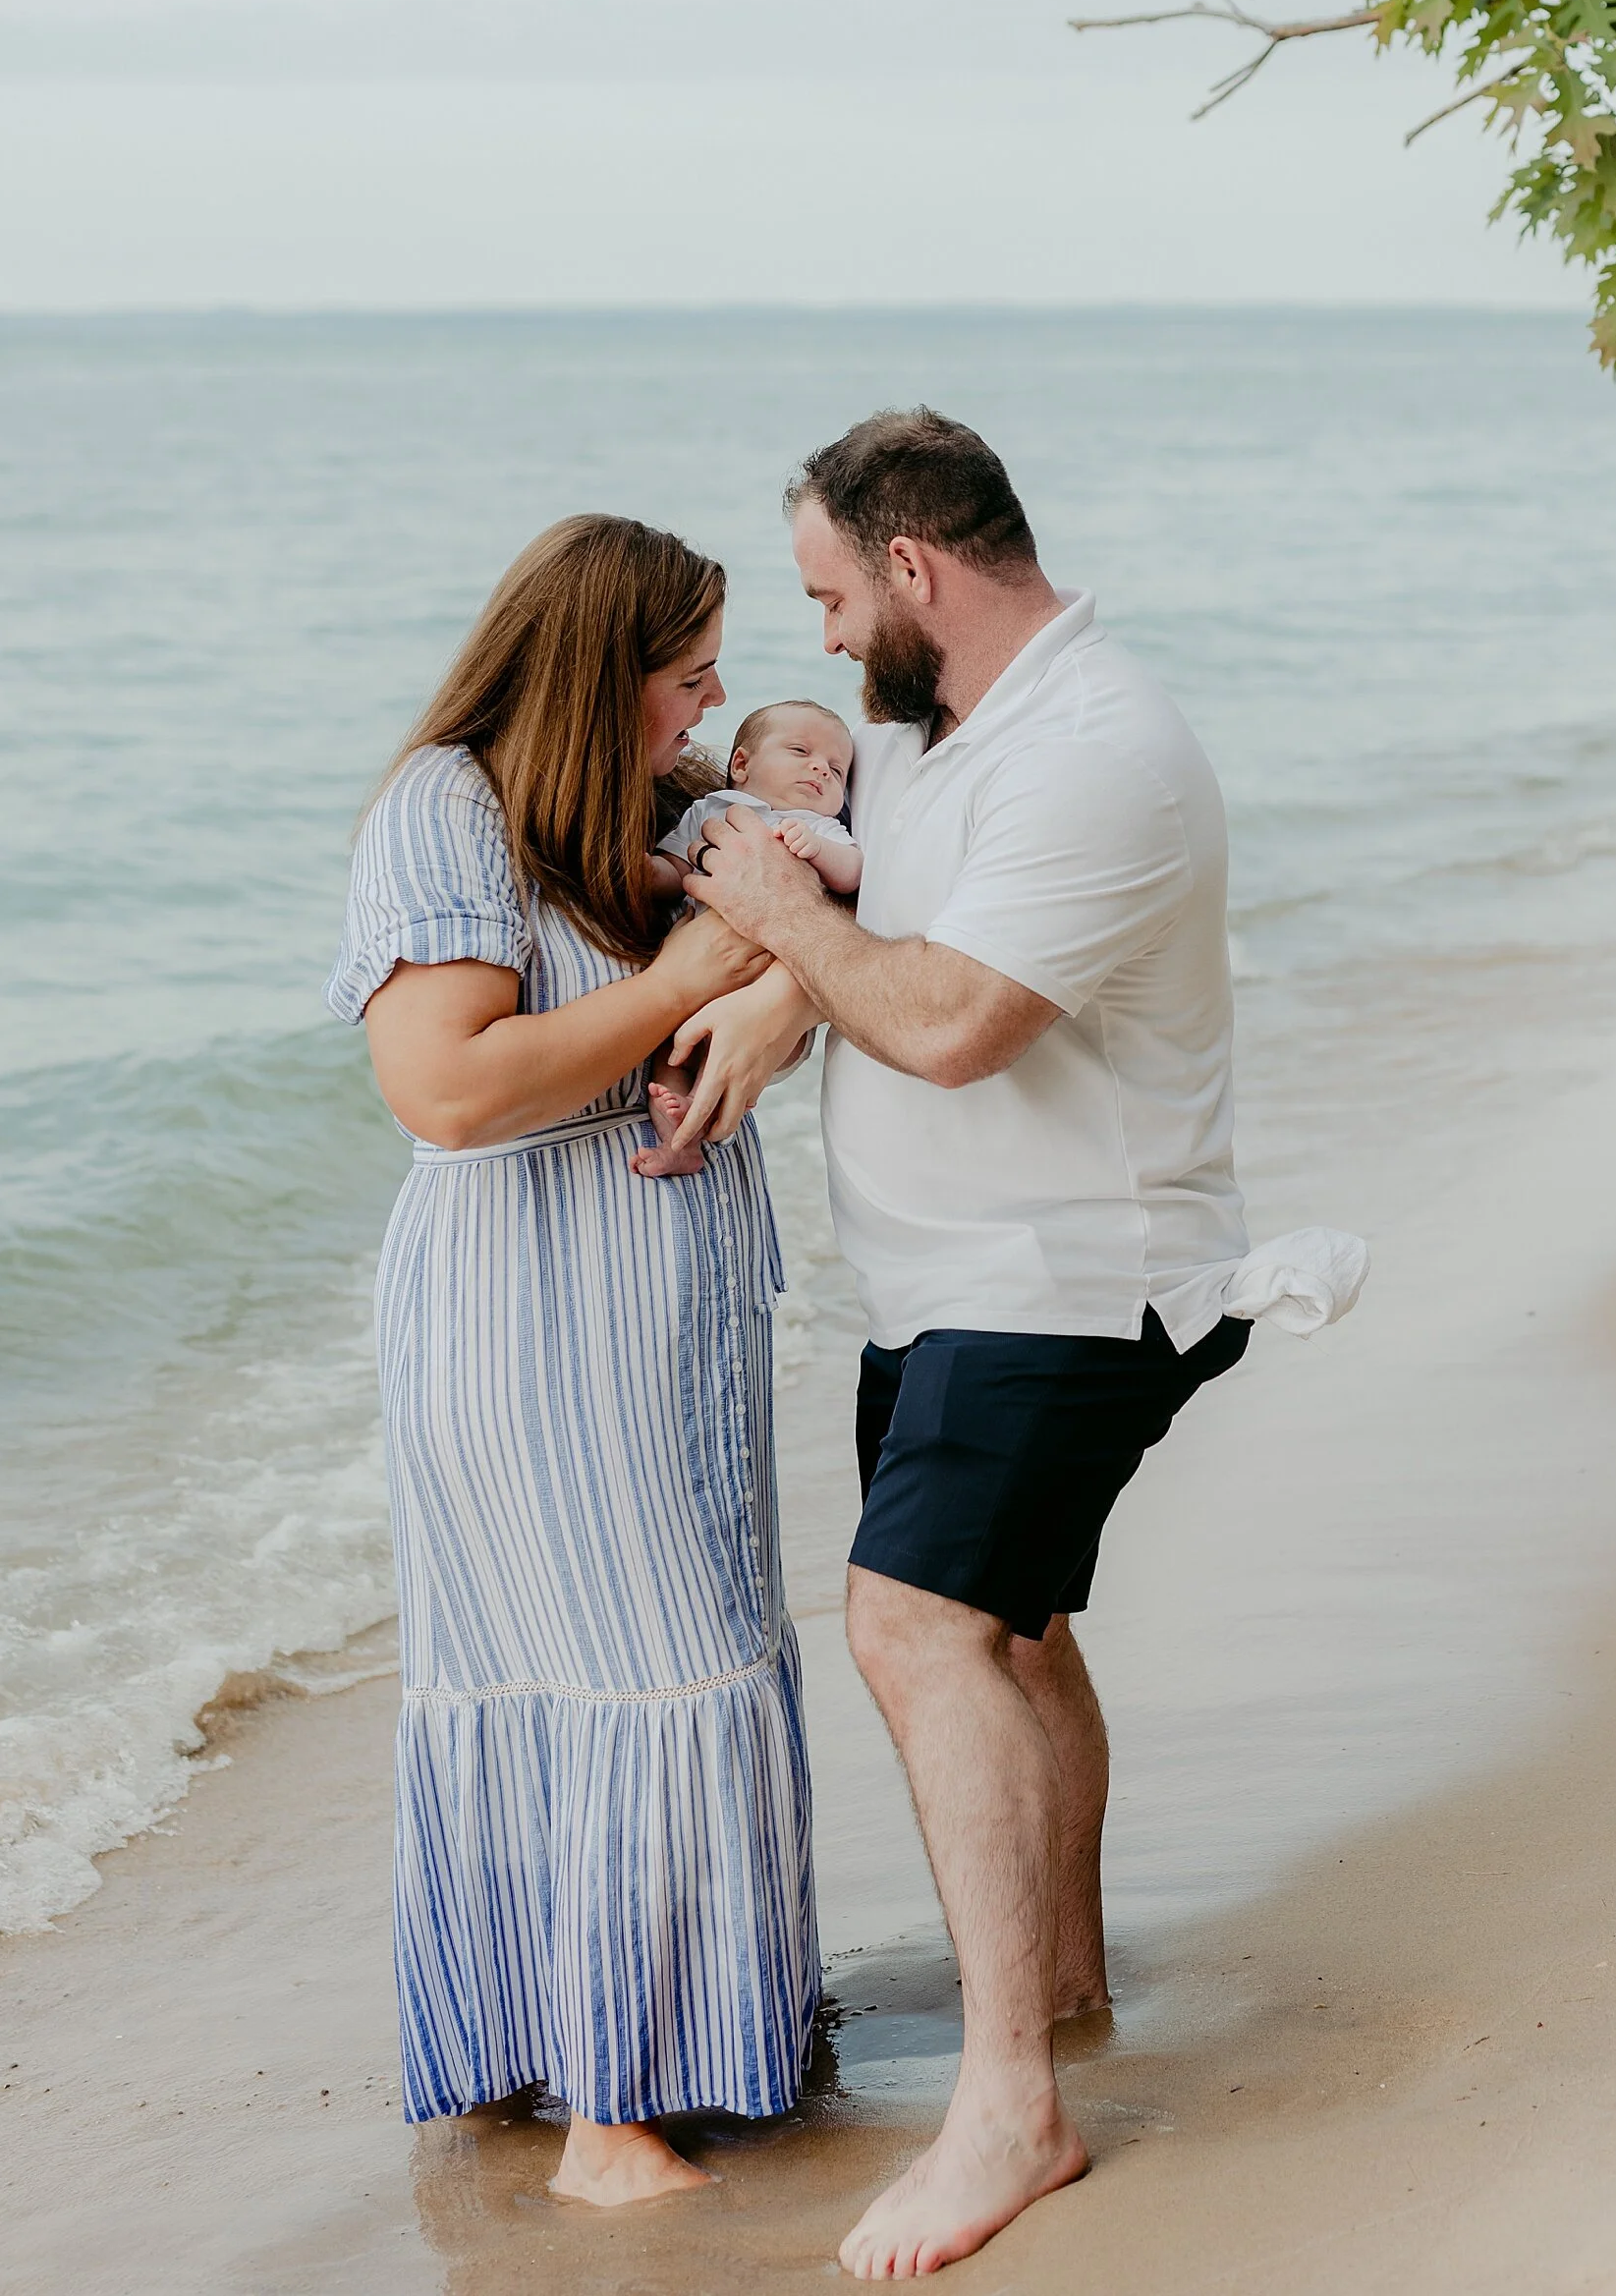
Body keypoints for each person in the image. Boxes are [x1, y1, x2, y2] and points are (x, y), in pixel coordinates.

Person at [683, 410, 1367, 2277]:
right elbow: (879, 925)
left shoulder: (1100, 749)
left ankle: (1010, 2107)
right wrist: (773, 998)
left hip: (1064, 1281)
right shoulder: (939, 733)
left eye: (830, 594)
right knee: (1010, 1626)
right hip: (958, 1280)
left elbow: (958, 1017)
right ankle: (1052, 1985)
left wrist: (758, 915)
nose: (822, 642)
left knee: (910, 1627)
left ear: (915, 569)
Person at [324, 513, 821, 2212]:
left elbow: (817, 889)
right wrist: (690, 973)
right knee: (629, 1667)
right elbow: (448, 1088)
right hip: (528, 1307)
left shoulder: (639, 809)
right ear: (598, 669)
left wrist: (766, 992)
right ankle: (608, 2117)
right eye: (687, 670)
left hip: (658, 1312)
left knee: (682, 1648)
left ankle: (667, 2041)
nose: (714, 696)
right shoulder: (447, 808)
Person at [635, 701, 861, 1179]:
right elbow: (675, 871)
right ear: (741, 764)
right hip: (697, 972)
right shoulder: (708, 810)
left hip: (767, 980)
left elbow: (853, 875)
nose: (820, 767)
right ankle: (678, 1137)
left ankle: (706, 1117)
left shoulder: (820, 827)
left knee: (736, 1059)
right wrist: (637, 873)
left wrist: (818, 851)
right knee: (668, 1053)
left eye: (837, 770)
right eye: (800, 751)